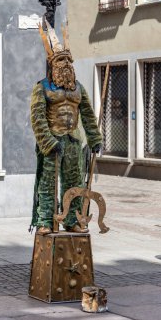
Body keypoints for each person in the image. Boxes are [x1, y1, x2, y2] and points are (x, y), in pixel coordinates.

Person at [30, 21, 102, 235]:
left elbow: (88, 115)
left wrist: (94, 139)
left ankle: (72, 219)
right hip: (52, 143)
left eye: (68, 61)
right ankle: (45, 220)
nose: (65, 65)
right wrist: (49, 142)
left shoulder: (79, 88)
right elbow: (37, 118)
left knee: (74, 183)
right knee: (47, 184)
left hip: (73, 142)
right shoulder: (41, 88)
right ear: (53, 65)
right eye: (60, 61)